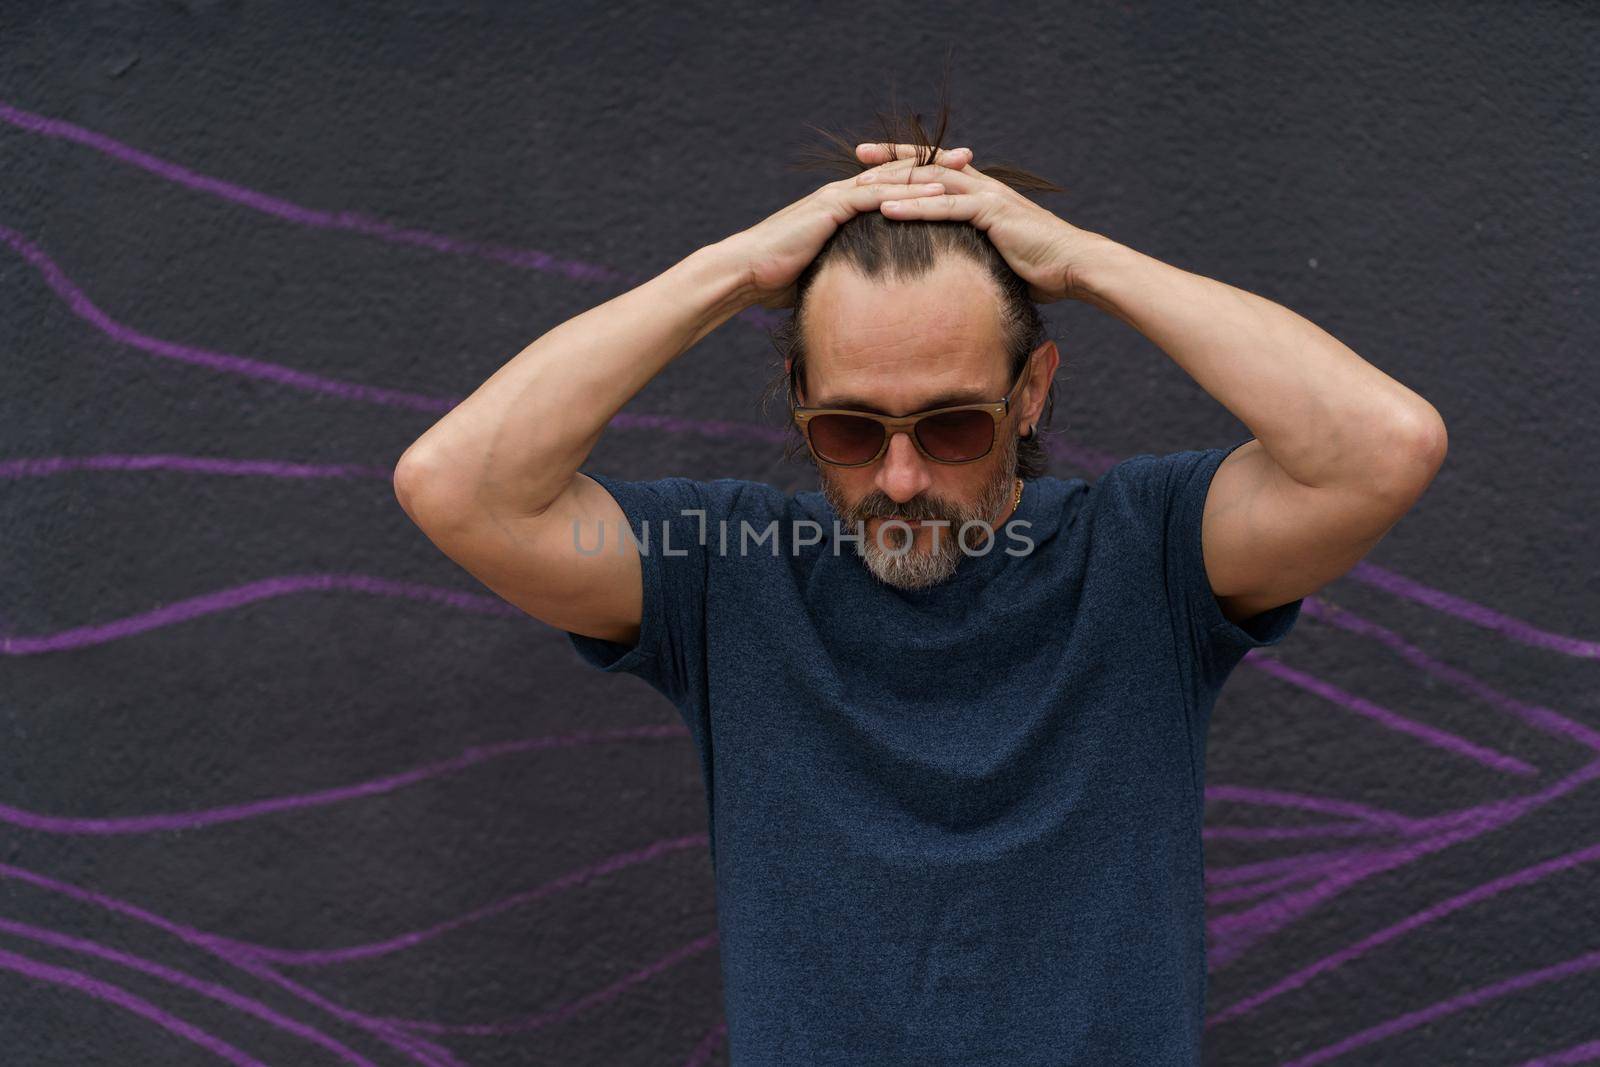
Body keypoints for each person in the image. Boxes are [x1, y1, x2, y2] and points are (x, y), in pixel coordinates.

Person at [392, 107, 1447, 1065]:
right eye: (849, 428)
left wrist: (1081, 263)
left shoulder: (1146, 553)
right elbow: (459, 487)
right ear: (799, 400)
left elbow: (1381, 447)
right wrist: (734, 271)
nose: (899, 477)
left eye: (951, 425)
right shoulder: (728, 566)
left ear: (1031, 393)